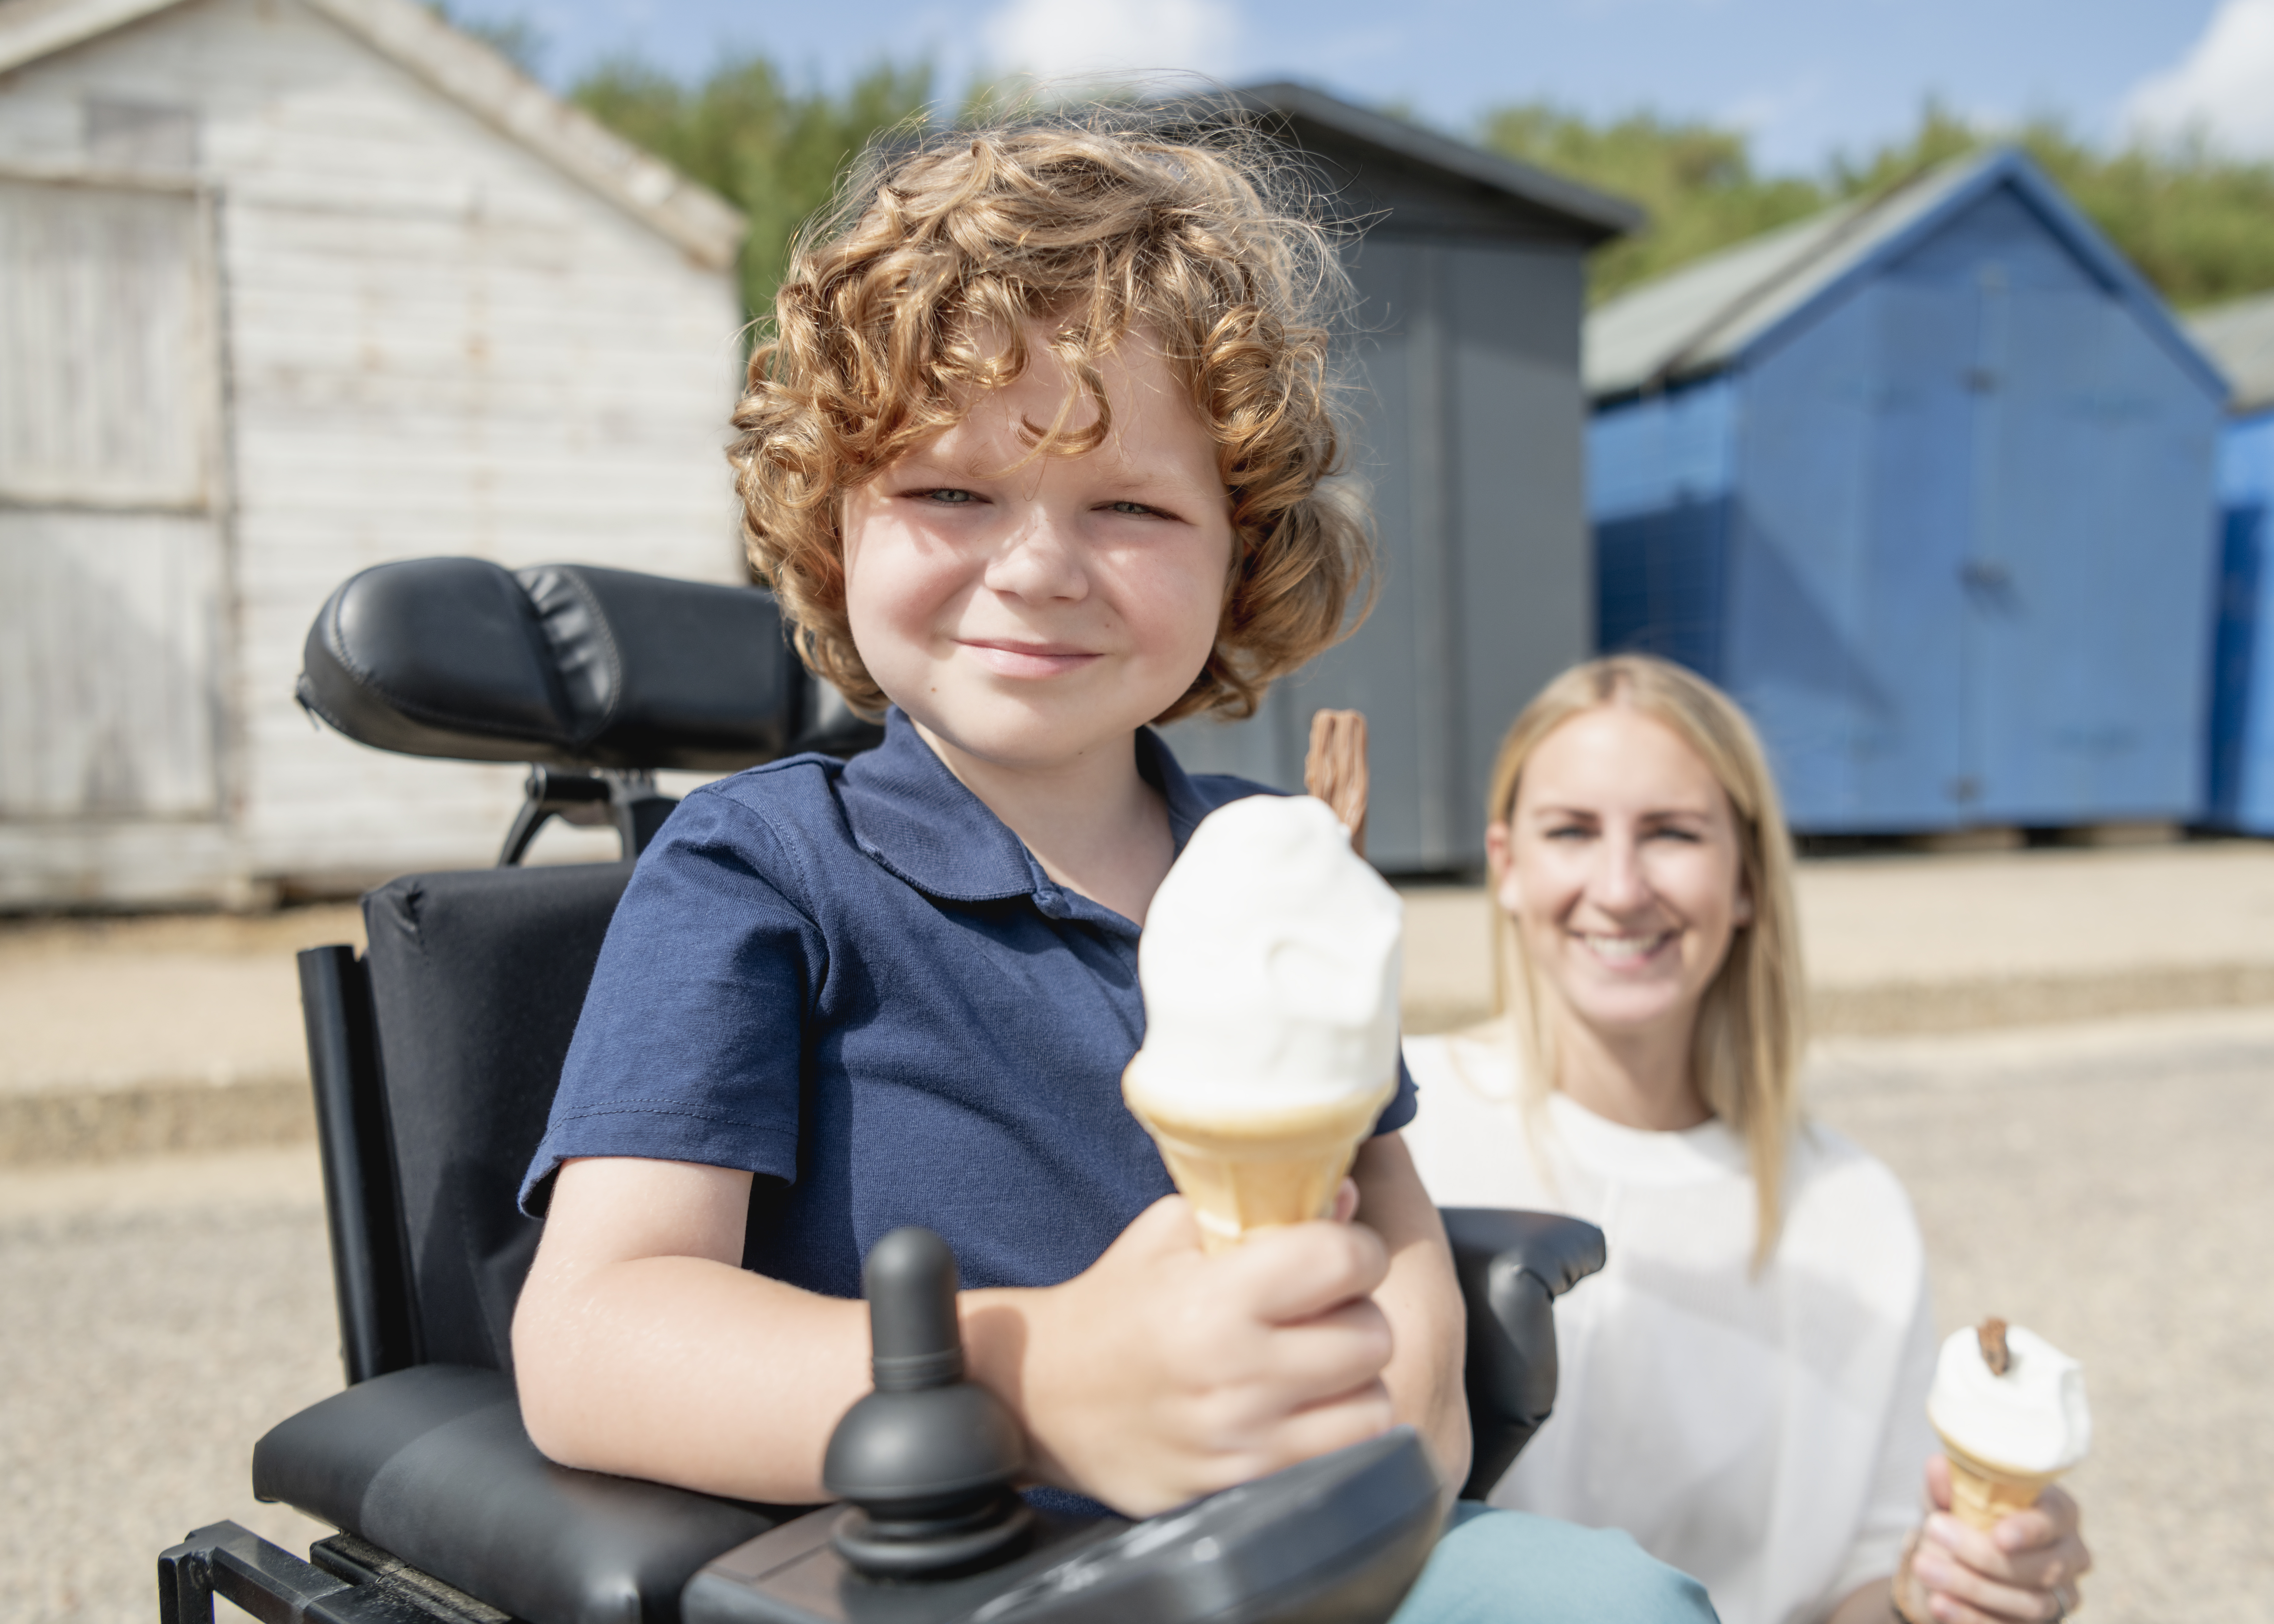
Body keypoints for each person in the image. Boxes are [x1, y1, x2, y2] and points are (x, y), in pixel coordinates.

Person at [506, 115, 1714, 1622]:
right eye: (951, 492)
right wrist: (1037, 1385)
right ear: (833, 519)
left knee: (1610, 1603)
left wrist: (1402, 1437)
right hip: (959, 1568)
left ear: (1239, 551)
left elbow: (1388, 1221)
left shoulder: (1270, 866)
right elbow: (594, 1339)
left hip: (1302, 1548)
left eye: (1130, 507)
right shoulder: (761, 870)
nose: (1037, 566)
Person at [1400, 656, 2094, 1624]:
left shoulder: (1850, 1209)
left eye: (1672, 833)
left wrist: (1957, 1592)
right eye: (1570, 831)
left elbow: (1866, 1588)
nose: (1619, 885)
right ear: (1507, 867)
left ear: (1747, 880)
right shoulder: (1397, 1119)